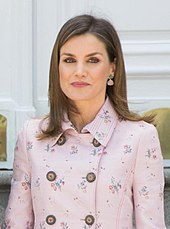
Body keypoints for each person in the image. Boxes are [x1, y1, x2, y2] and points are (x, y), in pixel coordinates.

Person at [2, 14, 166, 228]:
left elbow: (151, 224)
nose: (79, 72)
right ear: (57, 67)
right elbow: (16, 223)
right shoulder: (31, 136)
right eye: (69, 60)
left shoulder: (139, 137)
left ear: (112, 68)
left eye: (93, 60)